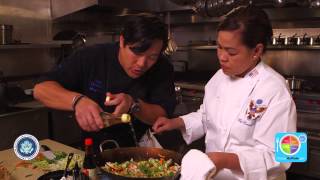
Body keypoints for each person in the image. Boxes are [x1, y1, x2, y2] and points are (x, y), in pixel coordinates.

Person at [152, 6, 297, 180]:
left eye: (231, 51)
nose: (222, 57)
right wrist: (176, 122)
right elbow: (207, 116)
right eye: (219, 47)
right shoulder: (219, 77)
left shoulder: (276, 89)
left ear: (257, 51)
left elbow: (286, 156)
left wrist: (225, 160)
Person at [33, 15, 176, 152]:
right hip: (93, 150)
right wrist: (77, 101)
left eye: (152, 57)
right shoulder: (91, 57)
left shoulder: (162, 67)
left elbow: (161, 115)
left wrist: (133, 105)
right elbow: (40, 90)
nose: (142, 64)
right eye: (137, 52)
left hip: (142, 151)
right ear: (122, 41)